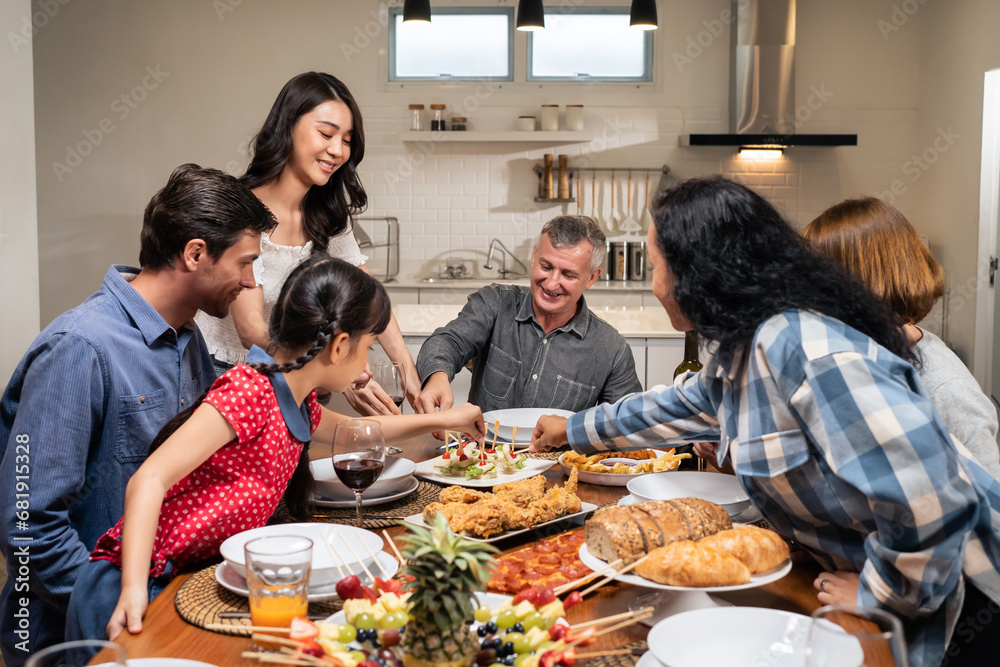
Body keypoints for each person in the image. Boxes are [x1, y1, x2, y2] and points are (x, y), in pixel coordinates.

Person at [531, 177, 1000, 667]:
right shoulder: (748, 345)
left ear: (693, 272)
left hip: (963, 603)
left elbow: (934, 502)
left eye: (654, 267)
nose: (653, 285)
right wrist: (574, 429)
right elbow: (674, 407)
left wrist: (879, 591)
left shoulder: (802, 346)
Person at [65, 255, 485, 644]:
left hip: (187, 577)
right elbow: (149, 479)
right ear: (339, 346)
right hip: (130, 588)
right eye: (369, 346)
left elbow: (360, 429)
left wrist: (447, 419)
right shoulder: (251, 389)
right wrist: (134, 589)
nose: (367, 363)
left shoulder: (296, 399)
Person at [0, 164, 277, 665]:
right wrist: (114, 603)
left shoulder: (188, 341)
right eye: (245, 262)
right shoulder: (79, 348)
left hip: (161, 612)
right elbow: (27, 522)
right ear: (196, 253)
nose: (250, 281)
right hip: (81, 635)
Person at [195, 71, 420, 416]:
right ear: (287, 127)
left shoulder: (328, 214)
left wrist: (408, 373)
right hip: (230, 378)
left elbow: (368, 296)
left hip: (300, 382)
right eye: (326, 133)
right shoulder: (240, 210)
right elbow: (250, 329)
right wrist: (334, 370)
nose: (338, 150)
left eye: (347, 139)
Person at [802, 197, 1000, 480]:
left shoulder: (944, 387)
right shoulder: (862, 355)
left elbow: (989, 514)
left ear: (860, 283)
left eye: (816, 278)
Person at [415, 215, 642, 420]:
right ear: (534, 256)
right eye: (546, 266)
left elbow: (627, 424)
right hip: (485, 460)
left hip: (558, 464)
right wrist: (437, 376)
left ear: (592, 277)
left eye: (568, 274)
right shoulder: (495, 302)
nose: (551, 283)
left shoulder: (612, 349)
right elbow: (446, 342)